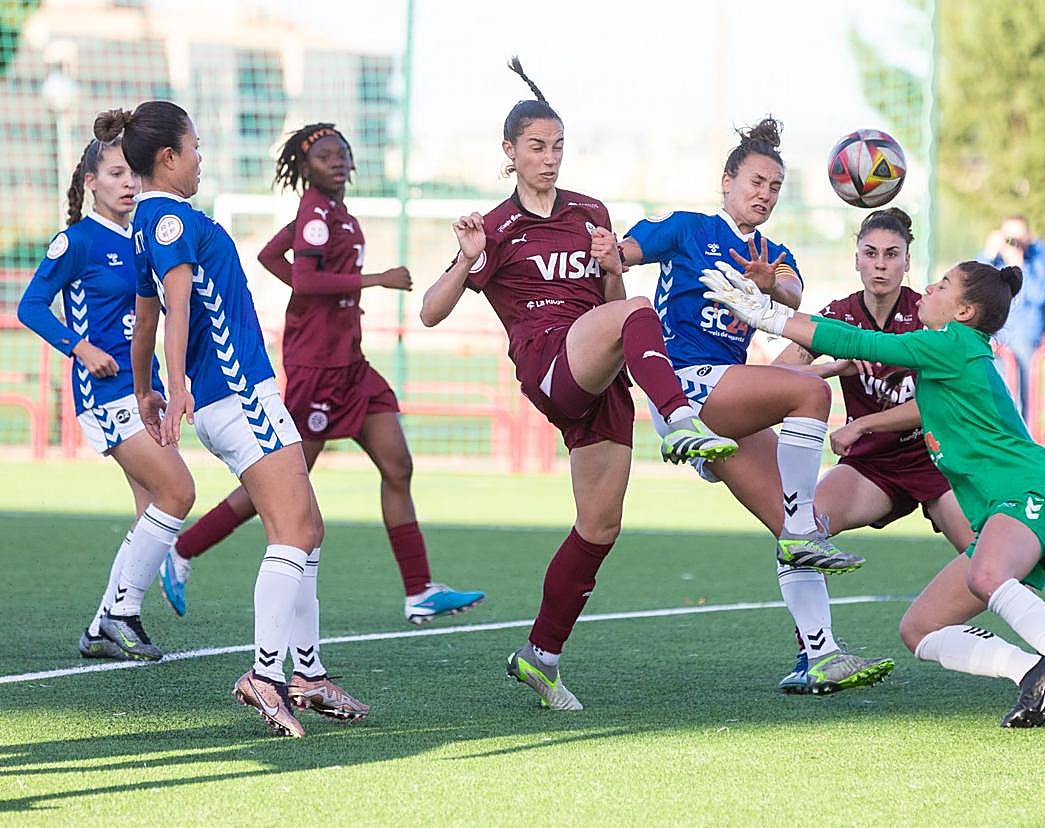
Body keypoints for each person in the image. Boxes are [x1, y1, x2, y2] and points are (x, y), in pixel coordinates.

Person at [420, 58, 740, 711]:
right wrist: (467, 259)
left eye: (558, 146)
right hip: (547, 359)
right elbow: (430, 310)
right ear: (509, 152)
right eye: (536, 146)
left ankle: (541, 657)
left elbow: (613, 301)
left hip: (598, 366)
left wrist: (608, 267)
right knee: (639, 311)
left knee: (600, 524)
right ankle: (678, 419)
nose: (550, 158)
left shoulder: (590, 211)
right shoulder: (496, 227)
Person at [699, 259, 1045, 727]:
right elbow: (923, 407)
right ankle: (1034, 671)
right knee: (920, 629)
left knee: (986, 576)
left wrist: (769, 315)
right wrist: (865, 423)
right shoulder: (952, 354)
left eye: (943, 284)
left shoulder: (952, 343)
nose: (929, 286)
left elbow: (861, 342)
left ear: (965, 312)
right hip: (999, 508)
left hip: (1029, 495)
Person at [158, 122, 484, 626]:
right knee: (282, 483)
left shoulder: (338, 213)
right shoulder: (314, 211)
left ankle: (419, 589)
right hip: (318, 368)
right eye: (324, 156)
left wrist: (316, 298)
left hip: (351, 365)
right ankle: (183, 549)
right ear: (306, 168)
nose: (335, 161)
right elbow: (307, 278)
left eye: (341, 153)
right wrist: (373, 281)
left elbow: (272, 256)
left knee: (397, 465)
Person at [113, 100, 367, 737]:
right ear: (168, 157)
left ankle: (304, 673)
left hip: (237, 395)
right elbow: (172, 308)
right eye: (194, 146)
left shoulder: (149, 223)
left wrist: (144, 386)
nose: (201, 157)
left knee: (308, 529)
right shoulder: (170, 221)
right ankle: (265, 674)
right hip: (238, 394)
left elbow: (146, 318)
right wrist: (172, 391)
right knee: (290, 532)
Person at [612, 118, 876, 696]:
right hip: (684, 385)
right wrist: (611, 250)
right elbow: (625, 253)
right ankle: (805, 528)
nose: (765, 193)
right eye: (756, 181)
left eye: (775, 186)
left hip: (725, 394)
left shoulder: (774, 253)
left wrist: (768, 283)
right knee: (810, 393)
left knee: (787, 526)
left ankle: (822, 655)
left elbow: (793, 296)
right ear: (727, 181)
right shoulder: (689, 228)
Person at [770, 208, 975, 693]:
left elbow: (931, 407)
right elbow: (778, 377)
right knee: (800, 529)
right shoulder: (839, 315)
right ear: (855, 260)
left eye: (891, 255)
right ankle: (814, 654)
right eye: (870, 254)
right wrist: (828, 369)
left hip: (935, 461)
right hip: (871, 470)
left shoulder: (926, 317)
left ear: (907, 262)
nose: (880, 264)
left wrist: (860, 424)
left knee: (990, 558)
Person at [17, 119, 195, 663]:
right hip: (104, 396)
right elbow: (29, 307)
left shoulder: (144, 234)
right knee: (177, 494)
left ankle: (102, 627)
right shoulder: (77, 240)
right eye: (115, 173)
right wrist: (79, 347)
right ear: (91, 181)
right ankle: (121, 614)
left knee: (153, 512)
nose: (128, 183)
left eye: (131, 173)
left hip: (143, 391)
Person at [980, 215, 1045, 424]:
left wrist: (1019, 266)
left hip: (1023, 336)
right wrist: (988, 255)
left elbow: (1040, 295)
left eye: (1018, 237)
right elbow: (974, 288)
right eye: (1009, 237)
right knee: (994, 400)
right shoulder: (992, 258)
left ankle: (1021, 447)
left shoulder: (1036, 255)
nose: (1013, 243)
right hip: (995, 336)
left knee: (1022, 402)